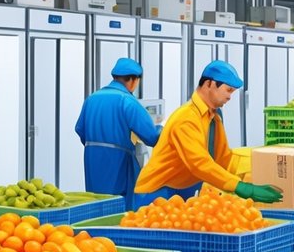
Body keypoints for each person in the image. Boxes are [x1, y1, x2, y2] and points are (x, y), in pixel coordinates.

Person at [133, 59, 283, 208]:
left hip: (186, 189)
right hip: (157, 192)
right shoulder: (187, 119)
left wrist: (261, 162)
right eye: (228, 90)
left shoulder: (214, 119)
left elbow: (223, 158)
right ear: (209, 84)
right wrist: (241, 187)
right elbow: (200, 163)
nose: (230, 97)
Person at [75, 58, 162, 210]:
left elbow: (80, 129)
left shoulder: (92, 98)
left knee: (96, 204)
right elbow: (152, 136)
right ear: (133, 80)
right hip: (119, 162)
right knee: (119, 208)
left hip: (92, 159)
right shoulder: (126, 101)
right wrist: (165, 129)